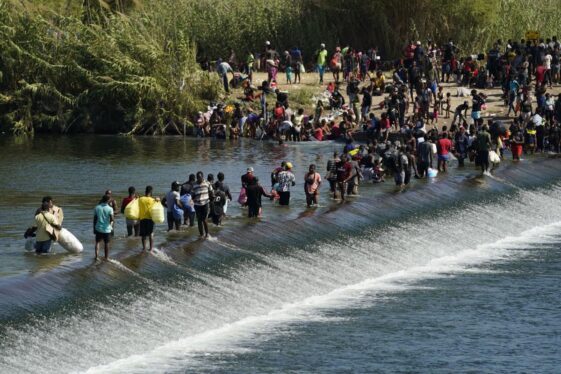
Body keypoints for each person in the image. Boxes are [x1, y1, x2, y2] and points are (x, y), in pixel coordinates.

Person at [192, 171, 213, 238]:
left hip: (205, 204)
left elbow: (211, 191)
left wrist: (211, 198)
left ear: (203, 177)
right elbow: (192, 195)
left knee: (204, 219)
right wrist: (192, 200)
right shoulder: (194, 185)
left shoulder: (207, 183)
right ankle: (201, 234)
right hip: (197, 205)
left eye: (200, 178)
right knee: (199, 220)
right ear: (196, 178)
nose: (199, 179)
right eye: (198, 178)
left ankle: (207, 234)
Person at [94, 194, 114, 261]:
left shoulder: (97, 207)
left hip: (98, 228)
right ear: (108, 200)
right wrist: (111, 224)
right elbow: (112, 219)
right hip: (106, 229)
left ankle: (96, 257)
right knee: (106, 243)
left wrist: (94, 228)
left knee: (97, 242)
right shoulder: (110, 209)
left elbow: (95, 219)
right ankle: (106, 257)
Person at [138, 186, 156, 251]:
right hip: (151, 219)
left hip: (142, 219)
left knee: (143, 235)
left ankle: (144, 248)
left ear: (145, 191)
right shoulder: (153, 200)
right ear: (151, 191)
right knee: (151, 234)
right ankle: (151, 249)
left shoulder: (140, 199)